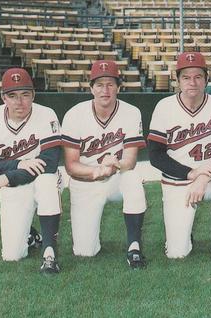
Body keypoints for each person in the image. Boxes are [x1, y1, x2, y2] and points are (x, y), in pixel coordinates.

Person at [148, 52, 211, 265]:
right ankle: (182, 236)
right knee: (177, 253)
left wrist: (202, 177)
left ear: (206, 79)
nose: (192, 82)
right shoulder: (164, 107)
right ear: (177, 80)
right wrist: (191, 173)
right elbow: (155, 156)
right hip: (177, 181)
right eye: (186, 77)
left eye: (198, 76)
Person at [0, 67, 62, 274]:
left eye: (25, 95)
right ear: (3, 97)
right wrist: (18, 163)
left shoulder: (47, 114)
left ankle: (50, 252)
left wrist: (6, 177)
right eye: (12, 95)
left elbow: (49, 163)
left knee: (48, 181)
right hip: (15, 183)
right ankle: (30, 235)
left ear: (33, 95)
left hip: (40, 178)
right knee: (12, 255)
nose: (19, 102)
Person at [61, 60, 147, 269]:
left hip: (116, 178)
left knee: (133, 179)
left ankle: (134, 246)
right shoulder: (74, 114)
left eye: (110, 84)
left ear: (119, 86)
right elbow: (71, 165)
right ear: (91, 88)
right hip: (85, 181)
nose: (105, 90)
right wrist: (96, 171)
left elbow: (130, 161)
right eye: (99, 84)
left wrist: (116, 164)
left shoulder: (131, 112)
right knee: (85, 252)